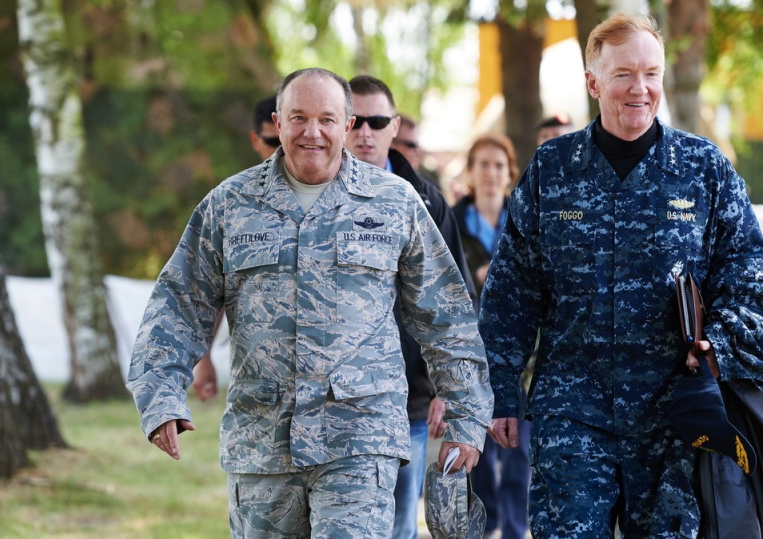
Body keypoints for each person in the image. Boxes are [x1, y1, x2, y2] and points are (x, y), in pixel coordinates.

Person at [478, 14, 763, 538]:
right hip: (573, 413)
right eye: (623, 75)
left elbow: (748, 276)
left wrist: (719, 345)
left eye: (652, 74)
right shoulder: (552, 169)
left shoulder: (703, 168)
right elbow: (512, 292)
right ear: (593, 82)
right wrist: (501, 389)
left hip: (674, 420)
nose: (640, 89)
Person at [127, 67, 493, 538]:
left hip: (360, 442)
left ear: (347, 125)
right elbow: (178, 302)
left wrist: (466, 413)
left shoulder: (395, 204)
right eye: (298, 117)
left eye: (326, 118)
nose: (312, 132)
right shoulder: (229, 205)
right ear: (277, 123)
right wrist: (160, 396)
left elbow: (446, 315)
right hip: (262, 446)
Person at [345, 74, 478, 539]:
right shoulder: (311, 197)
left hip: (410, 404)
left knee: (399, 527)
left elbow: (456, 303)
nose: (365, 131)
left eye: (376, 121)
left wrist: (449, 388)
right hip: (334, 407)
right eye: (354, 120)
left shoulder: (427, 201)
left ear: (394, 126)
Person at [452, 134, 531, 539]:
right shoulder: (450, 223)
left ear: (509, 173)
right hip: (468, 360)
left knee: (520, 454)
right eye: (482, 164)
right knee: (476, 458)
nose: (490, 173)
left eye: (498, 165)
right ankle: (485, 528)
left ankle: (516, 530)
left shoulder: (523, 220)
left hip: (519, 362)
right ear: (470, 172)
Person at [192, 96, 282, 402]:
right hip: (260, 395)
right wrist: (203, 360)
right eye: (273, 140)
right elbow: (212, 288)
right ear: (255, 140)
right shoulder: (233, 204)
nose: (283, 148)